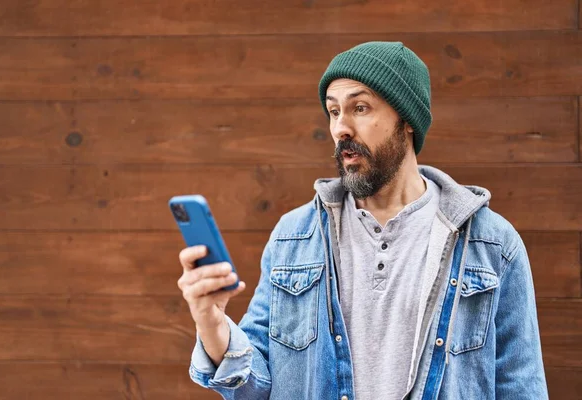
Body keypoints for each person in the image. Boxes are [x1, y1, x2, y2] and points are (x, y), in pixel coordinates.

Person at [177, 42, 548, 399]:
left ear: (407, 121)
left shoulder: (492, 244)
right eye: (334, 111)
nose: (341, 128)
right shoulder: (294, 238)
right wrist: (211, 323)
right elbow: (254, 387)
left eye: (360, 108)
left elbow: (520, 386)